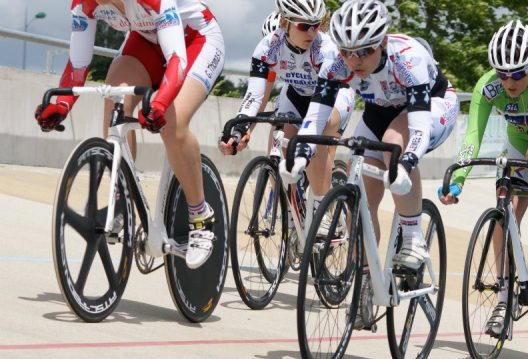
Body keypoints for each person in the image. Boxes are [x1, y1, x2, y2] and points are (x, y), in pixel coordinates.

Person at [279, 0, 459, 329]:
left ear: (383, 43)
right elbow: (315, 118)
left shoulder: (409, 59)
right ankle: (366, 274)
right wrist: (299, 153)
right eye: (348, 52)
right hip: (379, 110)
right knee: (359, 191)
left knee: (393, 145)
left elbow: (417, 130)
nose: (354, 60)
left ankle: (414, 236)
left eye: (363, 52)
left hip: (431, 106)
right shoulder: (336, 61)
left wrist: (405, 164)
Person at [34, 0, 226, 269]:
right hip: (146, 39)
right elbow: (78, 65)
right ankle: (121, 195)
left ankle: (200, 215)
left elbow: (177, 60)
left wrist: (160, 104)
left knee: (172, 121)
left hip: (196, 39)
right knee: (114, 96)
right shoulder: (83, 5)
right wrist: (61, 104)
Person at [438, 19, 528, 337]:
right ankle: (505, 300)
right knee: (503, 215)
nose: (509, 81)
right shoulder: (487, 86)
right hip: (519, 140)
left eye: (518, 73)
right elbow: (472, 138)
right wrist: (457, 180)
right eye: (502, 73)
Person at [218, 0, 356, 250]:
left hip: (333, 98)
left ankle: (322, 209)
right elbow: (255, 96)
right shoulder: (268, 47)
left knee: (313, 136)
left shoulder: (324, 49)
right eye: (304, 26)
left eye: (316, 25)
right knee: (283, 144)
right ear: (284, 22)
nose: (312, 32)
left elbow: (320, 107)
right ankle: (296, 217)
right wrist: (239, 129)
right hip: (296, 95)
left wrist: (305, 135)